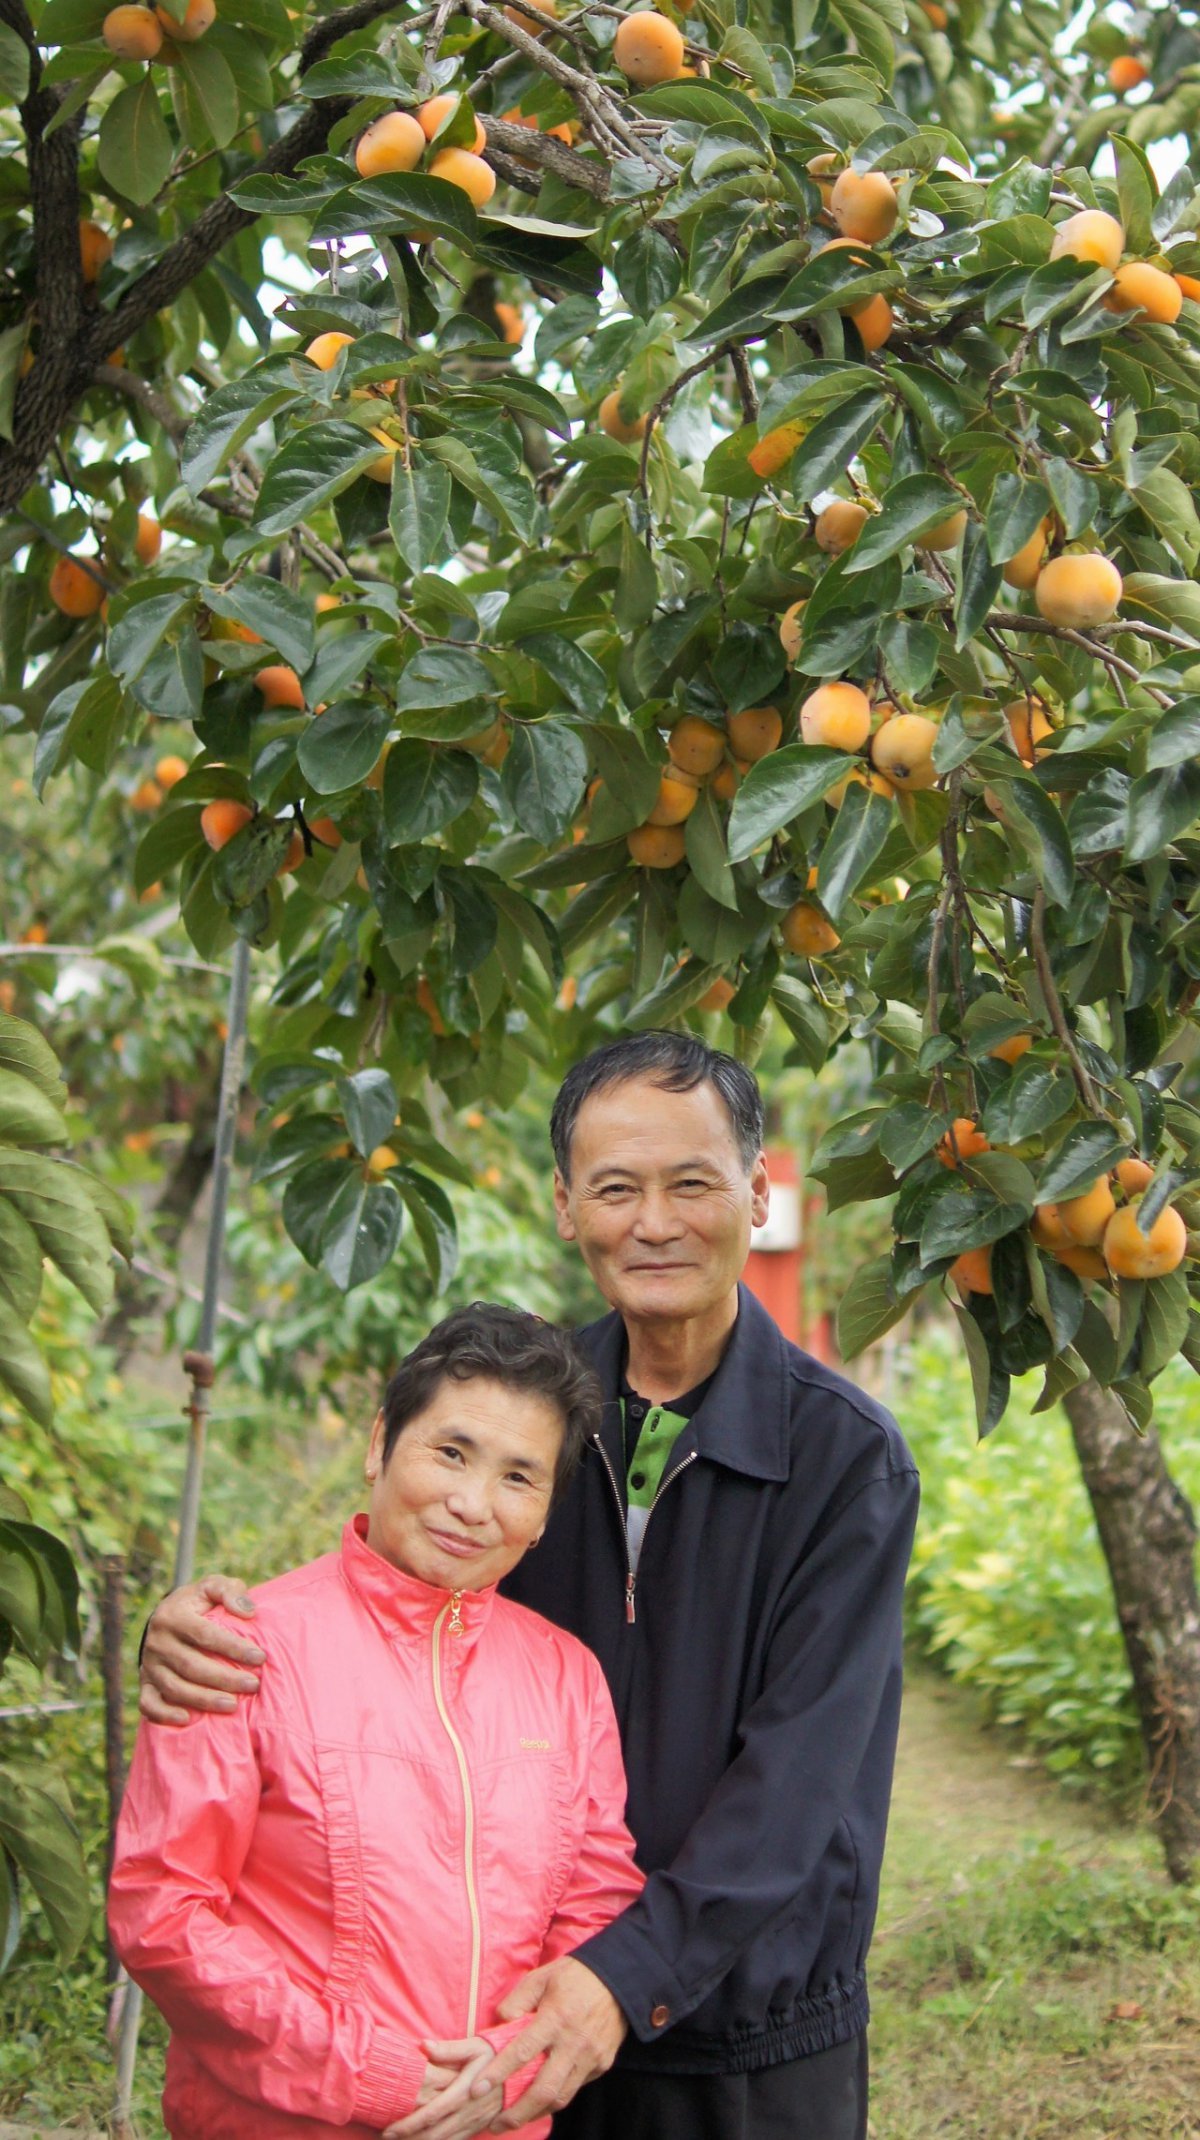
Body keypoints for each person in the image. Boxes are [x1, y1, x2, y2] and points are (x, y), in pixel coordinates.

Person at [141, 1033, 920, 2140]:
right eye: (615, 1187)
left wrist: (622, 1973)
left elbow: (799, 1775)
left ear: (754, 1193)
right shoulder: (529, 1414)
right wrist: (200, 1633)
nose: (654, 1222)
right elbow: (389, 1615)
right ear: (565, 1205)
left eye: (691, 1182)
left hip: (746, 2033)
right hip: (516, 2032)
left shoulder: (844, 1459)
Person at [112, 1304, 644, 2139]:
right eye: (451, 1452)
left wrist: (514, 2066)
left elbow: (596, 1901)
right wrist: (373, 2073)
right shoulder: (243, 1649)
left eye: (517, 1477)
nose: (473, 1504)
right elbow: (165, 1911)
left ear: (544, 1515)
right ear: (377, 1448)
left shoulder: (566, 1677)